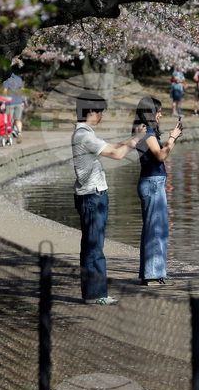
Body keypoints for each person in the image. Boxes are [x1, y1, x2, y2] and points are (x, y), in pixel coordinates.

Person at [72, 92, 148, 306]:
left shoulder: (86, 133)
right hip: (92, 197)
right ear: (89, 111)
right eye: (100, 112)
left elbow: (112, 146)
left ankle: (92, 293)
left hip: (91, 195)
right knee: (94, 247)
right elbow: (118, 155)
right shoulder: (84, 135)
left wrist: (132, 137)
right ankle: (97, 294)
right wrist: (137, 139)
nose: (102, 116)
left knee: (91, 245)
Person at [133, 96, 183, 286]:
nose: (161, 114)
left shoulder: (144, 130)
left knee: (154, 229)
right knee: (156, 230)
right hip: (152, 183)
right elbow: (160, 155)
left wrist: (172, 139)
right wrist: (172, 138)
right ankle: (152, 275)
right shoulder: (147, 132)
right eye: (158, 111)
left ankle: (152, 273)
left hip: (152, 182)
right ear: (149, 113)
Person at [2, 72, 25, 142]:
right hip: (19, 102)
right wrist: (23, 101)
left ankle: (8, 136)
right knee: (18, 119)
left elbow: (5, 91)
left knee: (9, 120)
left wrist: (3, 102)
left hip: (10, 102)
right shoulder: (19, 79)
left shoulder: (6, 80)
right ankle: (20, 132)